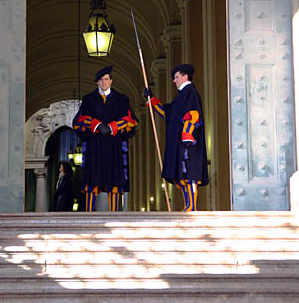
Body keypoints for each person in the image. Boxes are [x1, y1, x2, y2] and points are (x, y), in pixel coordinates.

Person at [144, 63, 208, 212]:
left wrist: (187, 134)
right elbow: (168, 112)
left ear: (185, 76)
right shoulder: (181, 96)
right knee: (182, 175)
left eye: (176, 77)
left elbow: (193, 115)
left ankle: (192, 205)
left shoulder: (191, 93)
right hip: (179, 143)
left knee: (190, 174)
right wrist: (151, 99)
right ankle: (188, 204)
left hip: (188, 142)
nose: (174, 80)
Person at [73, 66, 138, 212]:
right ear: (97, 82)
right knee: (92, 178)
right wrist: (96, 125)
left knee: (114, 180)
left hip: (114, 146)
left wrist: (113, 127)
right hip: (94, 146)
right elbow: (79, 121)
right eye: (101, 80)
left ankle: (114, 214)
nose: (104, 83)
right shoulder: (88, 100)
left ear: (111, 81)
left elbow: (131, 120)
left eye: (106, 79)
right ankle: (89, 214)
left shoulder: (121, 99)